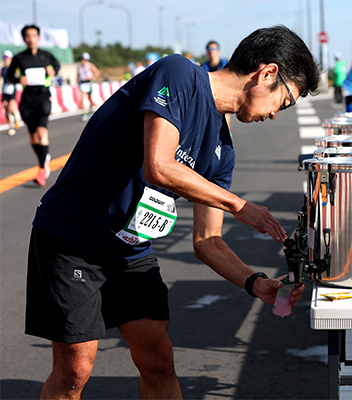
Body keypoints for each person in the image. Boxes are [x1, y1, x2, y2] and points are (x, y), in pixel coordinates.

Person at [26, 25, 319, 398]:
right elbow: (159, 166)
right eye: (286, 101)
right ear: (267, 74)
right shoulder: (179, 74)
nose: (278, 114)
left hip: (129, 248)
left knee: (158, 359)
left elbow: (207, 242)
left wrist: (255, 281)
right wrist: (240, 206)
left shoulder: (222, 153)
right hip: (73, 238)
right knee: (75, 371)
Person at [6, 24, 60, 186]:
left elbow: (56, 67)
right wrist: (18, 80)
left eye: (34, 36)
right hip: (27, 101)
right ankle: (42, 160)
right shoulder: (19, 58)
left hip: (43, 98)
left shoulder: (46, 56)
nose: (31, 39)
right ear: (24, 39)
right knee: (33, 138)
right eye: (27, 36)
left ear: (38, 37)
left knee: (42, 132)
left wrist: (53, 71)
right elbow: (9, 75)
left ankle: (43, 168)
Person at [201, 41, 231, 125]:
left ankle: (227, 132)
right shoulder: (204, 65)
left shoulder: (225, 64)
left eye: (214, 49)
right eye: (209, 49)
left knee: (225, 113)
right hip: (210, 93)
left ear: (218, 51)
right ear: (207, 52)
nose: (212, 51)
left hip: (224, 92)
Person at [2, 50, 22, 136]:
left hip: (12, 90)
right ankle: (10, 127)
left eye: (7, 58)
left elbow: (18, 76)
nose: (6, 59)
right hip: (5, 90)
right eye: (5, 58)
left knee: (10, 108)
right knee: (6, 109)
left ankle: (17, 117)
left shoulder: (13, 69)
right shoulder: (3, 69)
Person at [77, 52, 100, 122]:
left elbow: (97, 73)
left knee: (90, 98)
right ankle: (84, 113)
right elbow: (78, 75)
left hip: (89, 83)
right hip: (82, 83)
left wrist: (92, 79)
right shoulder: (79, 67)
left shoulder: (90, 65)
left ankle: (91, 111)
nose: (83, 61)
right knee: (83, 98)